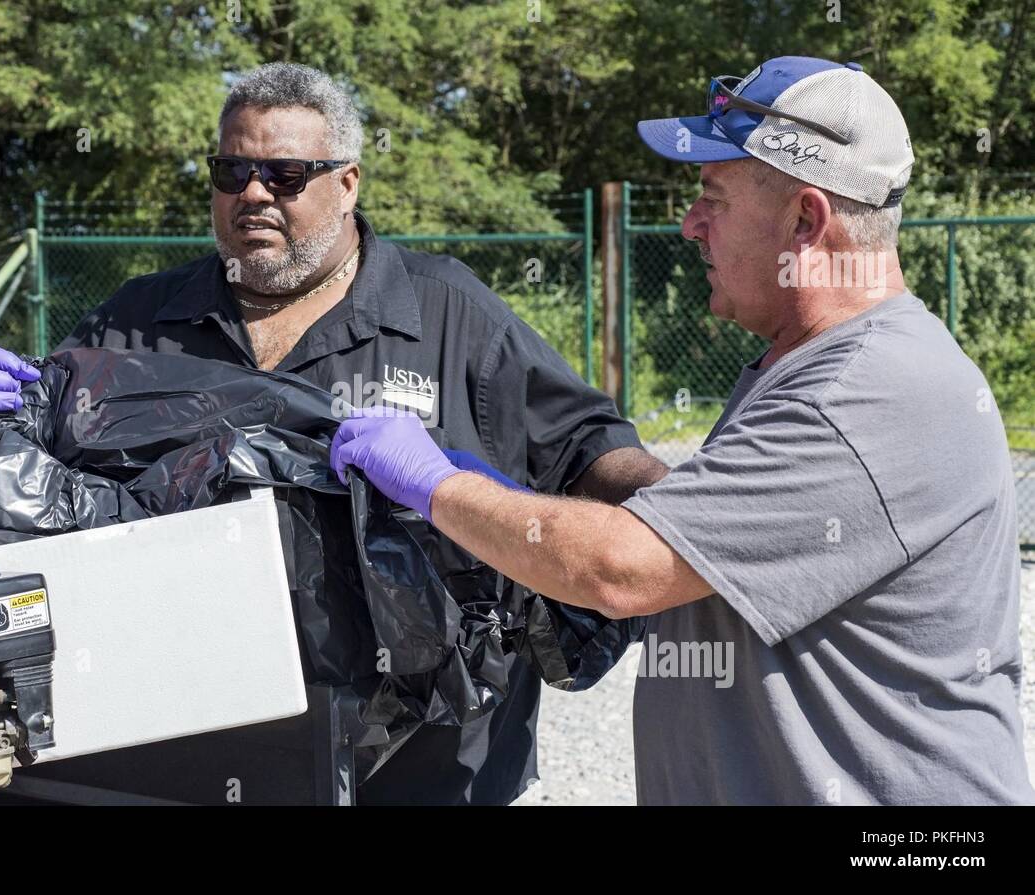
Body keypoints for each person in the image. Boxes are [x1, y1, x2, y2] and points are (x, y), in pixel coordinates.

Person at [0, 62, 666, 805]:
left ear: (348, 182)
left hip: (424, 775)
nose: (253, 193)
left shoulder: (450, 317)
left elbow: (589, 452)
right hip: (196, 764)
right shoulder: (137, 326)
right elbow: (30, 501)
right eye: (232, 170)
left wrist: (687, 511)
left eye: (286, 173)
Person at [330, 57, 1035, 805]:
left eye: (712, 196)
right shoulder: (803, 363)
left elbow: (621, 571)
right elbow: (710, 547)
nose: (689, 223)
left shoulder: (865, 388)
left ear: (806, 218)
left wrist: (439, 482)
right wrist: (516, 509)